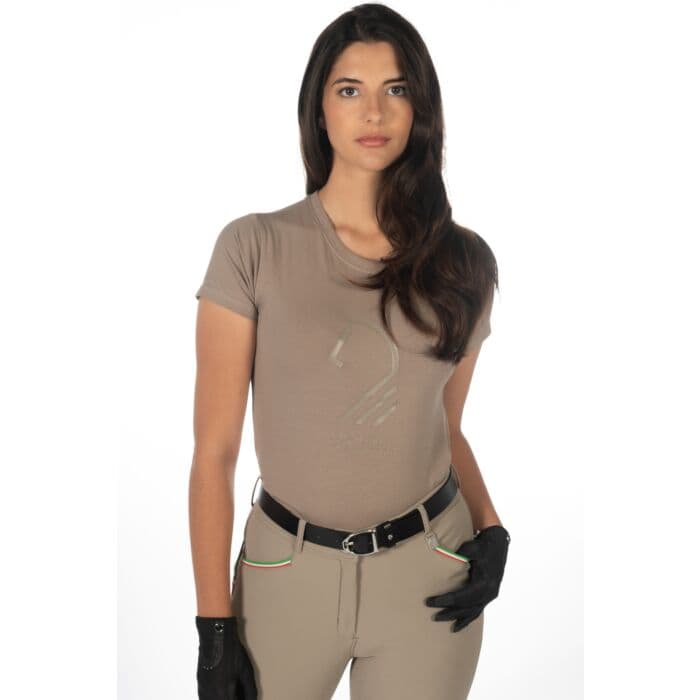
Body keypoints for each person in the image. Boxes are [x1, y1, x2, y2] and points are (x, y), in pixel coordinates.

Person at [189, 4, 511, 699]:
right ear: (319, 108)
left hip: (430, 574)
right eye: (349, 89)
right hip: (284, 576)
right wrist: (213, 628)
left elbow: (445, 425)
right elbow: (214, 453)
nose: (374, 111)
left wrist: (491, 527)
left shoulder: (462, 264)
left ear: (421, 108)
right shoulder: (253, 247)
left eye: (396, 89)